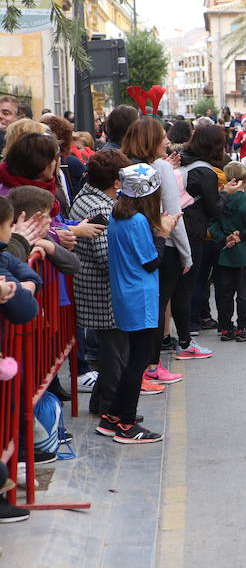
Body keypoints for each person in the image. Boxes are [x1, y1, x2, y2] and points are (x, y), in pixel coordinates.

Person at [97, 162, 180, 443]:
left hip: (124, 292)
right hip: (139, 295)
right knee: (139, 359)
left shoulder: (118, 216)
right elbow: (152, 261)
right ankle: (127, 424)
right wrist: (164, 233)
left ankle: (113, 416)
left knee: (135, 356)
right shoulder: (138, 221)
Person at [121, 116, 193, 384]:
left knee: (147, 310)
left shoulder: (128, 164)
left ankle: (144, 367)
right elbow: (175, 214)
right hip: (166, 245)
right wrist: (187, 255)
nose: (167, 140)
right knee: (157, 308)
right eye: (162, 136)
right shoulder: (161, 167)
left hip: (138, 243)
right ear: (151, 140)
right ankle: (151, 366)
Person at [70, 149, 135, 415]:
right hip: (103, 290)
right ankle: (112, 408)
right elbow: (105, 255)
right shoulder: (99, 206)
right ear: (116, 182)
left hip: (91, 286)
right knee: (115, 354)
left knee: (113, 352)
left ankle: (101, 403)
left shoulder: (87, 196)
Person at [178, 124, 230, 359]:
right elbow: (215, 208)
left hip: (174, 227)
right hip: (194, 230)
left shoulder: (180, 160)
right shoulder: (205, 172)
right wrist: (226, 192)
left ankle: (182, 333)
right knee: (189, 283)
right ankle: (186, 336)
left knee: (179, 286)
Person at [210, 162, 246, 341]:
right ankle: (242, 328)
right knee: (243, 293)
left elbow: (212, 224)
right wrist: (243, 235)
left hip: (223, 252)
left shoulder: (219, 200)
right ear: (243, 180)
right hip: (244, 253)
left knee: (224, 292)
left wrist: (224, 238)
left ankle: (225, 328)